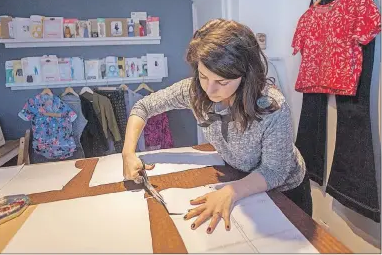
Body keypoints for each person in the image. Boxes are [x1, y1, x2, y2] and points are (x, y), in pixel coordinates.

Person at [122, 19, 312, 234]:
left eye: (222, 82)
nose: (210, 90)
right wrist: (128, 153)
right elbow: (143, 106)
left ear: (245, 75)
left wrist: (231, 191)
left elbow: (275, 171)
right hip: (240, 177)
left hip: (285, 191)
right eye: (203, 76)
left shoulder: (271, 106)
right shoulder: (195, 90)